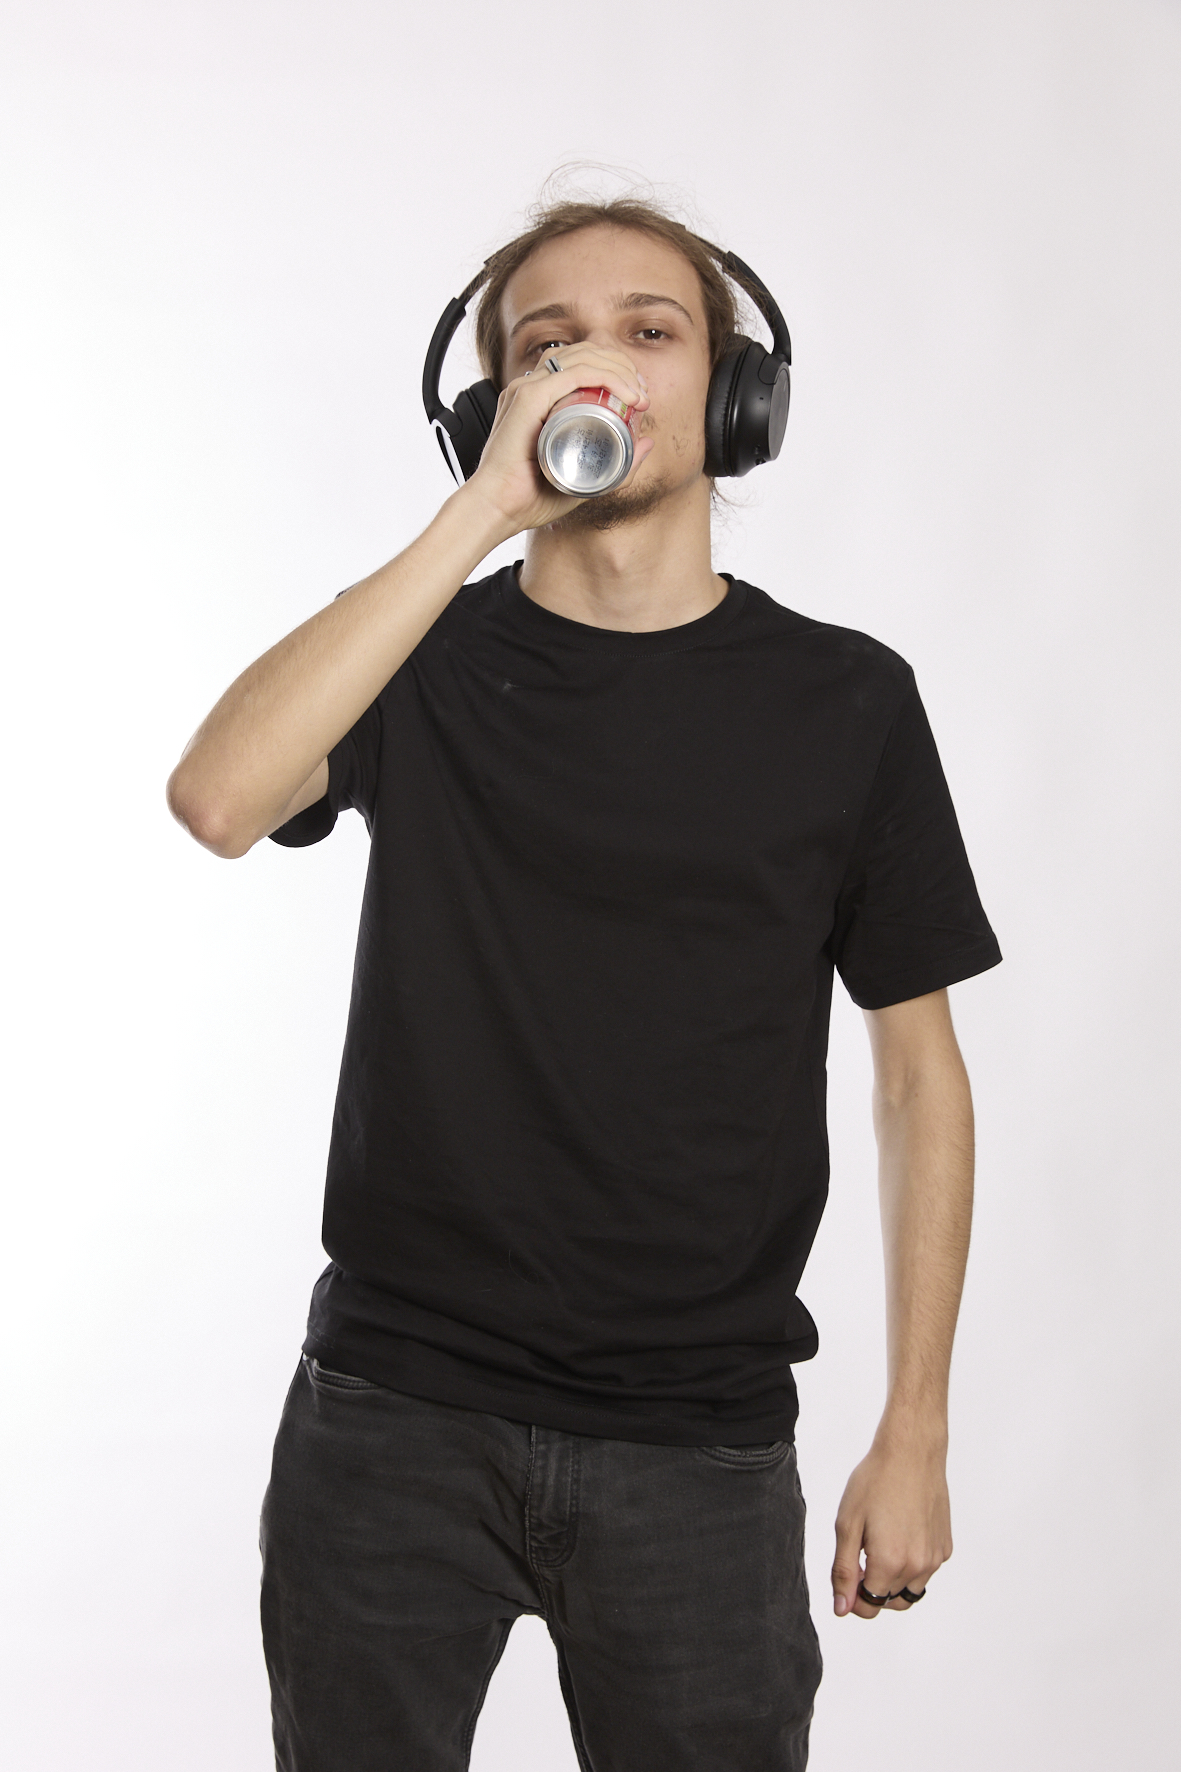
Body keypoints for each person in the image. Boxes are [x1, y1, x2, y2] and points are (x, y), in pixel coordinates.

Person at [166, 192, 1001, 1772]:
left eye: (648, 330)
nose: (596, 370)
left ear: (735, 395)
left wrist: (915, 1426)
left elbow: (916, 1075)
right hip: (392, 1421)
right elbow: (218, 800)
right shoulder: (417, 663)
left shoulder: (846, 701)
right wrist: (478, 517)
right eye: (546, 349)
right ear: (493, 411)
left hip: (698, 1445)